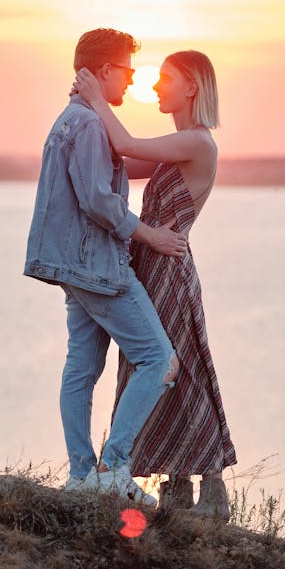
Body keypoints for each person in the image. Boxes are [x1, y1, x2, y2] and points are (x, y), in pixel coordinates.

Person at [24, 28, 188, 508]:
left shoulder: (72, 119)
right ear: (103, 71)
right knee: (160, 361)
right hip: (98, 267)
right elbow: (98, 198)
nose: (133, 82)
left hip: (75, 268)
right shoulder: (90, 124)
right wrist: (151, 234)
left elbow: (110, 168)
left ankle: (81, 475)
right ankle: (114, 468)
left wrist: (174, 156)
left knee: (82, 368)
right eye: (128, 71)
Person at [74, 50, 237, 519]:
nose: (154, 87)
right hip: (148, 263)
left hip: (169, 270)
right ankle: (174, 483)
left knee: (175, 369)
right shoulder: (179, 144)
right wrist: (82, 123)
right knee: (154, 371)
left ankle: (209, 482)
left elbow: (124, 139)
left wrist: (93, 97)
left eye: (165, 79)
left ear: (192, 87)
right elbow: (118, 157)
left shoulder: (198, 143)